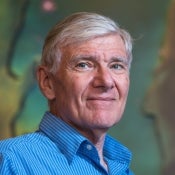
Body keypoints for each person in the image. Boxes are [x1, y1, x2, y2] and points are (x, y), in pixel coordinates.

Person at [0, 12, 134, 174]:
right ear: (47, 82)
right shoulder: (12, 160)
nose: (105, 81)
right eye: (84, 65)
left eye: (116, 66)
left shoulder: (121, 167)